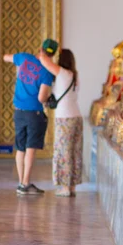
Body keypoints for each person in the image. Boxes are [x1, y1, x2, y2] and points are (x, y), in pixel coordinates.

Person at [3, 39, 58, 195]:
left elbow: (6, 57)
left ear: (40, 48)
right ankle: (26, 183)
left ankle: (21, 183)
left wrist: (18, 64)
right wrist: (49, 99)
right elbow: (41, 98)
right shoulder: (47, 73)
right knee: (30, 148)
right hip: (34, 113)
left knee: (20, 148)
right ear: (53, 54)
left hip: (18, 111)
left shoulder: (24, 58)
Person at [38, 48, 83, 197]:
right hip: (77, 117)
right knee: (74, 152)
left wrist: (43, 51)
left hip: (65, 118)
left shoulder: (63, 74)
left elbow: (44, 61)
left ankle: (64, 187)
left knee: (63, 152)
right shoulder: (74, 76)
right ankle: (72, 186)